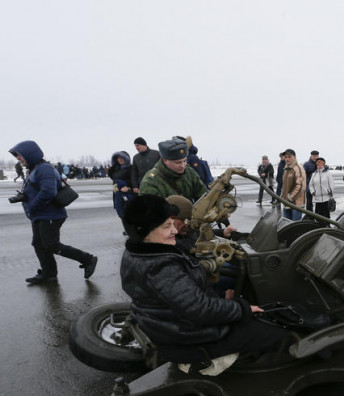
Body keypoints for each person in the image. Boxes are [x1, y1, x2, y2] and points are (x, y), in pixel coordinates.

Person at [120, 194, 289, 367]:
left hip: (174, 328)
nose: (174, 231)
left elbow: (188, 296)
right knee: (278, 334)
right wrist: (242, 308)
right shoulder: (159, 267)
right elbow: (200, 309)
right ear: (145, 233)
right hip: (191, 338)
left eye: (172, 224)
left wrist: (222, 298)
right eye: (166, 226)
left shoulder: (140, 253)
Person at [8, 140, 98, 284]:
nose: (18, 159)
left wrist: (32, 207)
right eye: (17, 156)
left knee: (51, 245)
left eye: (20, 155)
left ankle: (87, 259)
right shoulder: (34, 169)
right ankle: (49, 274)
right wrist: (24, 197)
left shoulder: (44, 169)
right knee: (38, 244)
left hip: (50, 214)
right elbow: (38, 189)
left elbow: (48, 192)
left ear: (30, 154)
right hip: (40, 215)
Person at [138, 138, 207, 202]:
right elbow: (149, 211)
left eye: (185, 161)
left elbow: (203, 194)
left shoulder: (189, 172)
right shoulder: (150, 182)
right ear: (165, 160)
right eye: (178, 162)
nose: (183, 166)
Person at [108, 151, 136, 233]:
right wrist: (114, 166)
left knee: (129, 212)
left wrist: (129, 187)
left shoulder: (131, 168)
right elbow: (111, 176)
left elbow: (134, 180)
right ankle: (128, 228)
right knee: (120, 211)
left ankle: (132, 228)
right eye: (118, 158)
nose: (120, 160)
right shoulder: (116, 169)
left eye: (121, 158)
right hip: (117, 193)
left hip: (127, 193)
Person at [280, 149, 306, 221]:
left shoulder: (298, 168)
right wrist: (283, 197)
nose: (287, 159)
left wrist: (290, 197)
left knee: (295, 226)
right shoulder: (286, 169)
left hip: (296, 203)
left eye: (289, 157)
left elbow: (301, 186)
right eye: (286, 157)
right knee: (286, 225)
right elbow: (284, 186)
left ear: (294, 157)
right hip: (287, 202)